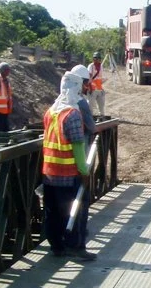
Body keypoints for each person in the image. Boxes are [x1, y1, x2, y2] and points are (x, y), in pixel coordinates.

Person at [42, 71, 95, 261]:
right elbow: (78, 146)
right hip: (68, 174)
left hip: (49, 173)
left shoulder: (51, 112)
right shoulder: (72, 114)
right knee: (75, 212)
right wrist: (84, 171)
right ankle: (76, 247)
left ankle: (56, 246)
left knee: (53, 213)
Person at [70, 64, 96, 253]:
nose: (88, 86)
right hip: (78, 163)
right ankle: (79, 243)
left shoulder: (58, 104)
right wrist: (84, 169)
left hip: (57, 167)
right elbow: (90, 127)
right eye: (87, 82)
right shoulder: (80, 103)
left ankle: (61, 244)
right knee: (81, 202)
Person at [87, 51, 105, 117]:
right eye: (95, 59)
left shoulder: (101, 66)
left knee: (101, 104)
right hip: (92, 89)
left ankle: (102, 115)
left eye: (98, 59)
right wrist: (90, 88)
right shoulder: (91, 66)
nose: (97, 60)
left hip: (99, 88)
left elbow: (99, 78)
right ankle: (90, 117)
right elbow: (89, 77)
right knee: (90, 105)